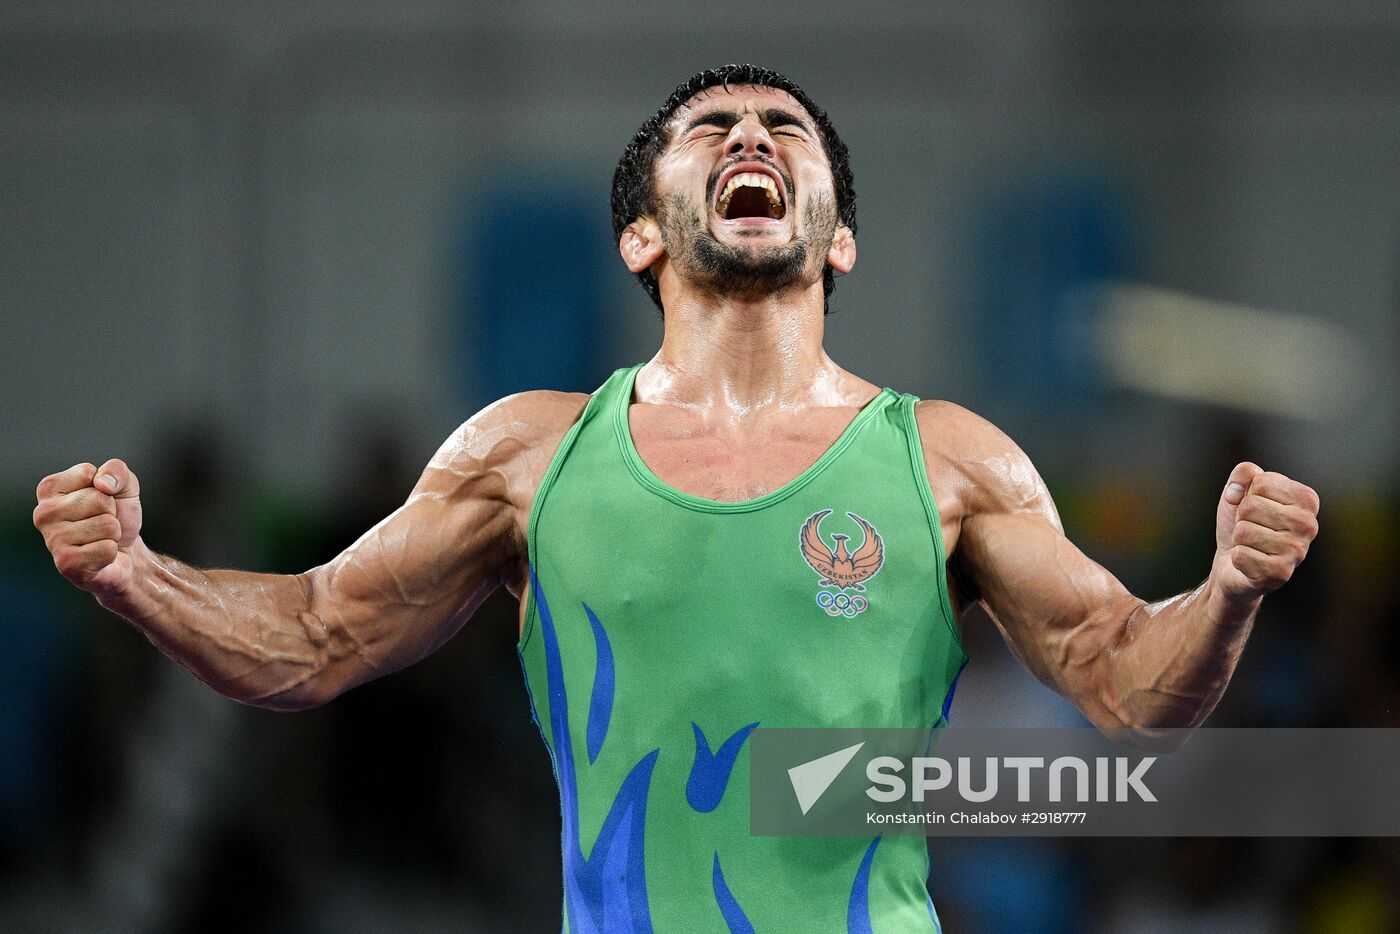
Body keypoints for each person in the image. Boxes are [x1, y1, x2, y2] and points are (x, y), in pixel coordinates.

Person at [33, 64, 1319, 931]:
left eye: (784, 132)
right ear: (641, 235)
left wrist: (1226, 593)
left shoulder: (947, 461)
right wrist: (137, 575)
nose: (751, 137)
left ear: (838, 236)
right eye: (711, 131)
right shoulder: (527, 457)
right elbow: (313, 635)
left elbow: (1123, 686)